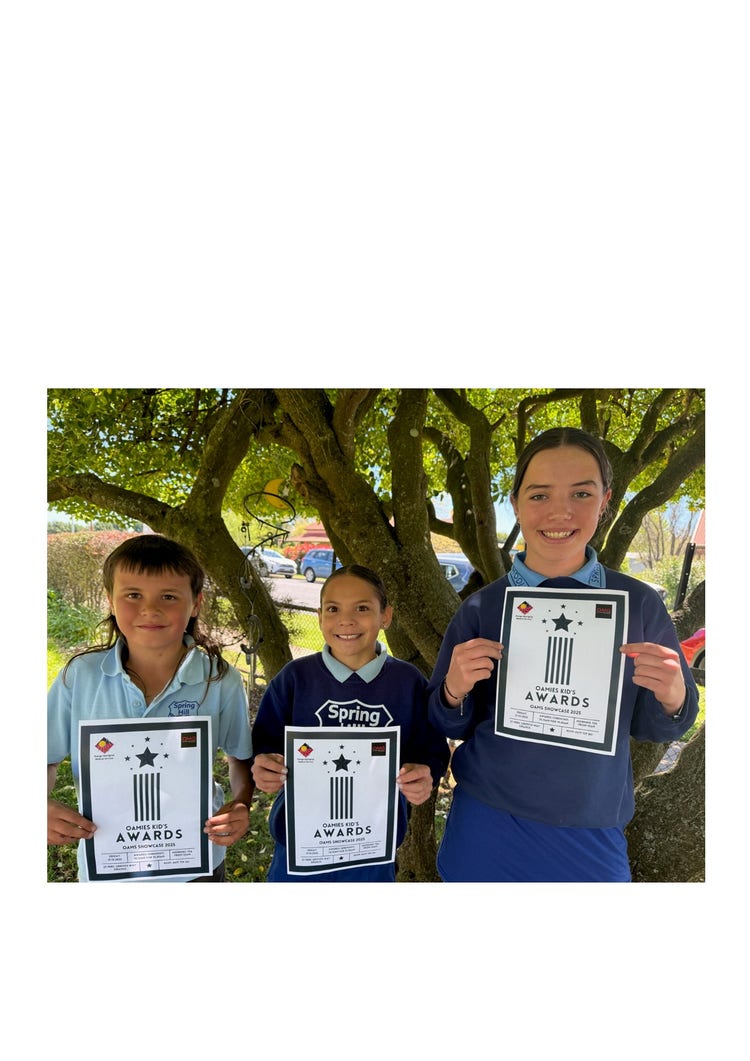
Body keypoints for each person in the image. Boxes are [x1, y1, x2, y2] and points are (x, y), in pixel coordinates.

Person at [428, 427, 700, 882]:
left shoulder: (638, 604)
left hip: (590, 827)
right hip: (487, 821)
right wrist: (453, 691)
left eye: (581, 493)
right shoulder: (483, 606)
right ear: (515, 504)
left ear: (606, 499)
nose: (559, 510)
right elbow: (445, 720)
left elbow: (658, 726)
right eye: (539, 495)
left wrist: (673, 696)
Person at [47, 534, 254, 882]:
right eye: (132, 595)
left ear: (196, 603)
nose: (150, 609)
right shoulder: (78, 678)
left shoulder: (220, 680)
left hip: (197, 866)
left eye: (169, 597)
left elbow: (240, 759)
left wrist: (241, 803)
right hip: (108, 865)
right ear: (110, 601)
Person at [251, 564, 450, 881]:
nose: (346, 620)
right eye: (333, 609)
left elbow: (431, 750)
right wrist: (264, 766)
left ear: (385, 616)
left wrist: (424, 772)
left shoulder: (408, 682)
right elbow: (265, 745)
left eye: (362, 608)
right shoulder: (294, 679)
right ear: (319, 617)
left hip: (373, 846)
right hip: (299, 846)